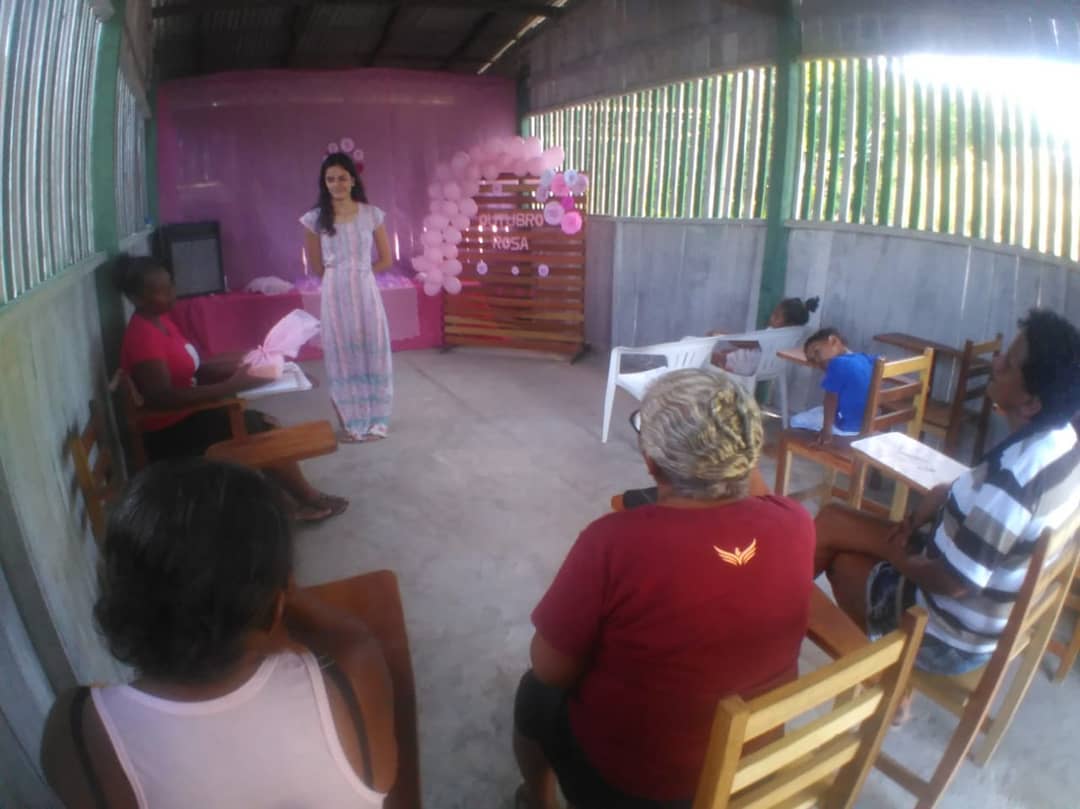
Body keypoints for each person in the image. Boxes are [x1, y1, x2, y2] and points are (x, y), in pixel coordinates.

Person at [514, 370, 816, 809]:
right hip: (751, 762)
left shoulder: (614, 542)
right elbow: (755, 502)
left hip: (644, 788)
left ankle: (535, 801)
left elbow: (549, 668)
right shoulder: (795, 521)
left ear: (651, 463)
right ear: (751, 454)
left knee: (534, 693)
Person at [40, 459, 397, 808]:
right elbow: (355, 638)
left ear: (119, 601)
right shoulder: (353, 678)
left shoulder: (76, 731)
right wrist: (279, 591)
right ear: (277, 608)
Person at [814, 309, 1080, 678]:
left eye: (1010, 362)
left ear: (1031, 402)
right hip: (962, 582)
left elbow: (955, 583)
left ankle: (889, 680)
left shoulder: (1014, 480)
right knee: (830, 519)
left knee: (841, 561)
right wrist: (930, 504)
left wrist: (898, 554)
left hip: (948, 635)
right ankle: (779, 622)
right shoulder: (1062, 440)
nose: (997, 361)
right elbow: (970, 490)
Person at [116, 255, 346, 522]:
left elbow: (197, 366)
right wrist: (228, 387)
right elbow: (162, 397)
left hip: (187, 416)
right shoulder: (143, 336)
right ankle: (305, 499)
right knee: (260, 429)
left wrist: (256, 360)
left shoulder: (160, 321)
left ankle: (288, 499)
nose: (171, 295)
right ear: (138, 298)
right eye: (161, 291)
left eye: (171, 286)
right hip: (170, 432)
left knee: (262, 422)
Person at [301, 152, 394, 443]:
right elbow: (316, 266)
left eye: (342, 177)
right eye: (331, 179)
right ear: (324, 183)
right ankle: (351, 422)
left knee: (372, 349)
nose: (337, 183)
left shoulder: (371, 214)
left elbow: (386, 259)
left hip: (366, 292)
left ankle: (378, 419)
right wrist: (340, 275)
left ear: (353, 180)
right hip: (335, 294)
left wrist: (362, 273)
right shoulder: (314, 220)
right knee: (342, 353)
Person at [790, 327, 876, 445]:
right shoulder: (864, 358)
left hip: (845, 427)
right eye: (813, 360)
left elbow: (830, 400)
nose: (817, 361)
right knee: (817, 411)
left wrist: (826, 431)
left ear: (833, 341)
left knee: (795, 420)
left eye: (816, 352)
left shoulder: (837, 363)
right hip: (866, 424)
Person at [710, 296, 820, 375]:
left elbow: (744, 343)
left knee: (710, 357)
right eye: (773, 313)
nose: (771, 317)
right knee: (725, 352)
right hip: (768, 366)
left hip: (749, 366)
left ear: (789, 323)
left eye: (776, 316)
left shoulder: (773, 334)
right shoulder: (791, 333)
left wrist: (721, 335)